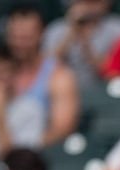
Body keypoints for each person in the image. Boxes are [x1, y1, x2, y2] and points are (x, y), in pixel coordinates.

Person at [5, 1, 80, 147]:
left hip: (37, 158)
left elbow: (62, 130)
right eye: (15, 37)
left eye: (26, 38)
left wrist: (21, 150)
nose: (20, 44)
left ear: (41, 34)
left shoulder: (59, 76)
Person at [43, 0, 120, 91]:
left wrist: (85, 43)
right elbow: (47, 67)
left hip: (104, 92)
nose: (89, 7)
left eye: (94, 2)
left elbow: (112, 71)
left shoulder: (119, 27)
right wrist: (72, 30)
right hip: (64, 90)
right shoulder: (56, 28)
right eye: (85, 2)